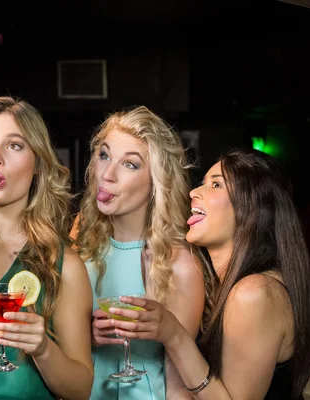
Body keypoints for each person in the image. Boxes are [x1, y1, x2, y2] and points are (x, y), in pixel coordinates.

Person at [111, 147, 310, 400]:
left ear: (251, 206)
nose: (193, 192)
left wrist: (173, 333)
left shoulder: (254, 293)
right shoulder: (224, 287)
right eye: (202, 183)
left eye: (216, 185)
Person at [0, 96, 94, 400]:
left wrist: (43, 349)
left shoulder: (63, 264)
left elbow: (81, 389)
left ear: (38, 164)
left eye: (14, 145)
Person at [71, 105, 207, 399]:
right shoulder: (81, 240)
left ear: (156, 182)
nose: (107, 174)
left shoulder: (180, 264)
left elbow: (179, 383)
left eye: (129, 164)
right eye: (104, 156)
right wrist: (85, 339)